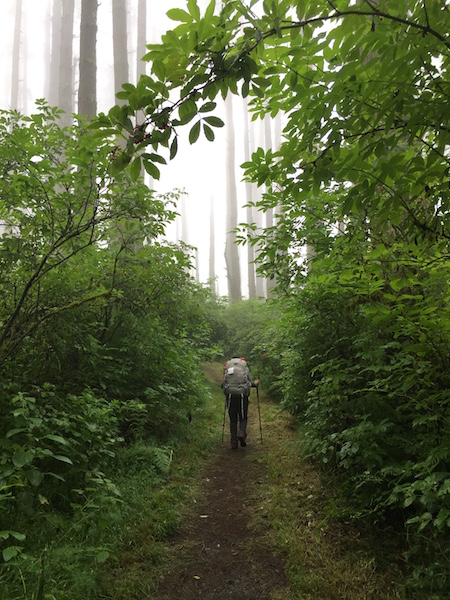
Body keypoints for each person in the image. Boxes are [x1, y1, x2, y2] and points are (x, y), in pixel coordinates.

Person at [221, 356, 259, 449]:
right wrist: (255, 384)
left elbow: (223, 385)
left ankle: (234, 443)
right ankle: (241, 432)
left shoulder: (228, 367)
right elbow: (249, 382)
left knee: (233, 420)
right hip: (242, 396)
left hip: (230, 396)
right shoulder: (244, 367)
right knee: (243, 417)